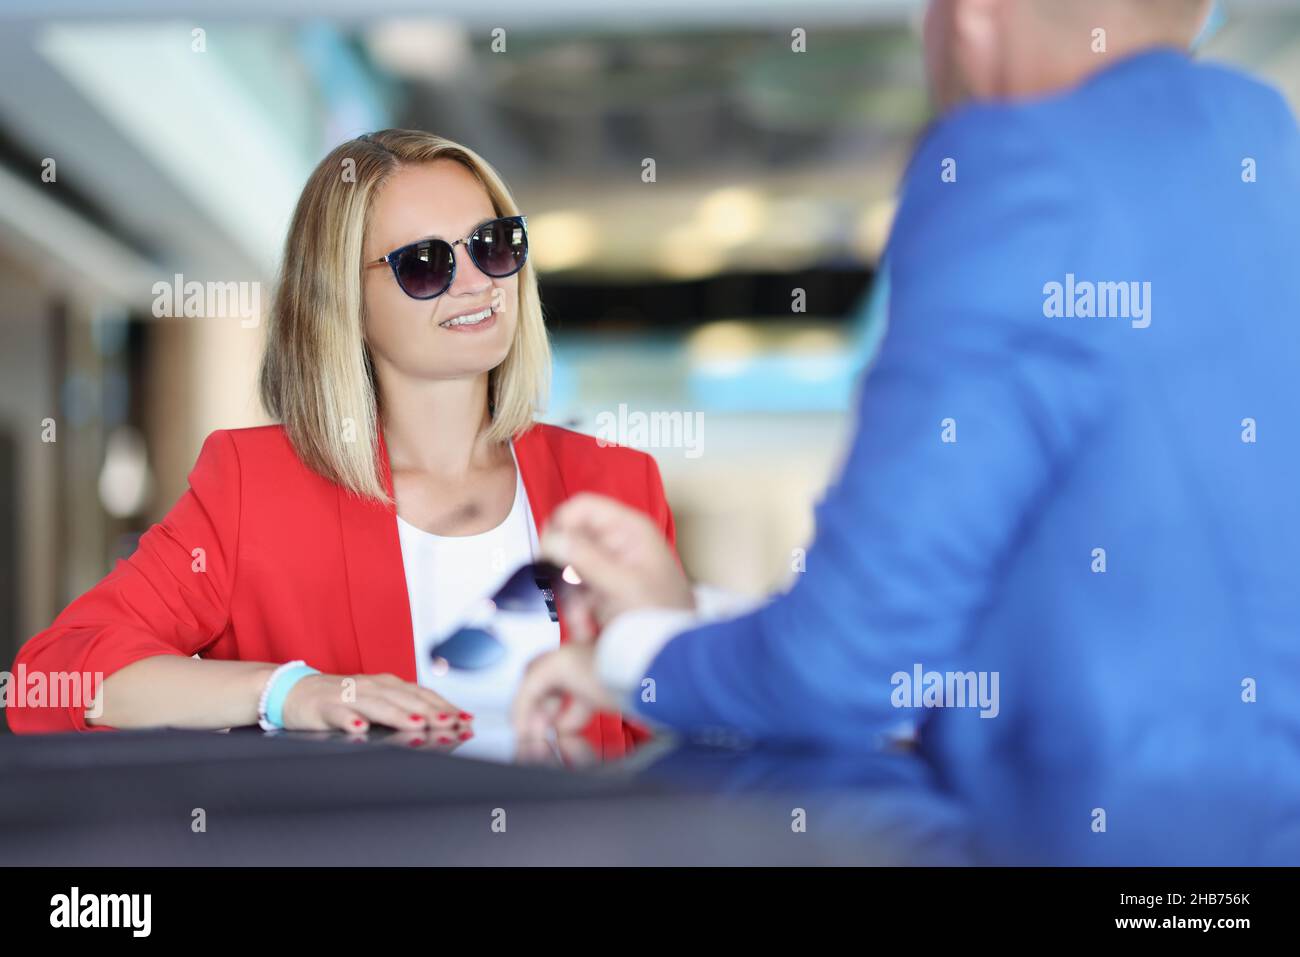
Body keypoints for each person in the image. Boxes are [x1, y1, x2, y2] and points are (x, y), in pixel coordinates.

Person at [513, 0, 1300, 798]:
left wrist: (625, 656)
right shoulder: (1268, 155)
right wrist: (689, 623)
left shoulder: (1018, 165)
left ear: (974, 15)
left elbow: (848, 665)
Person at [9, 130, 672, 760]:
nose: (476, 281)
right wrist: (286, 692)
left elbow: (673, 722)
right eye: (425, 262)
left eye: (492, 243)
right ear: (344, 302)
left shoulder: (614, 478)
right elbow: (50, 678)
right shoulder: (254, 485)